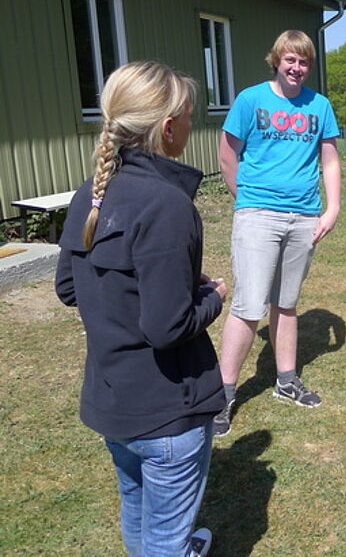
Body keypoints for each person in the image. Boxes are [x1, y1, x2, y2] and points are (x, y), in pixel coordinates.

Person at [55, 61, 224, 557]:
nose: (190, 125)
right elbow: (167, 327)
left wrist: (160, 287)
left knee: (137, 507)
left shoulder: (91, 193)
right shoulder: (167, 204)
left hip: (113, 401)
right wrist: (212, 296)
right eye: (188, 116)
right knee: (165, 539)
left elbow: (69, 287)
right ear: (169, 127)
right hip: (165, 409)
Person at [214, 30, 341, 437]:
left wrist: (332, 208)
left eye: (303, 62)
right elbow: (227, 154)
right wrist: (247, 200)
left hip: (304, 216)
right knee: (249, 305)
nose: (297, 68)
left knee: (286, 303)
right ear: (277, 60)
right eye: (290, 60)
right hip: (258, 215)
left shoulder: (319, 105)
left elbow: (330, 159)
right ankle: (222, 395)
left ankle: (286, 381)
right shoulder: (250, 100)